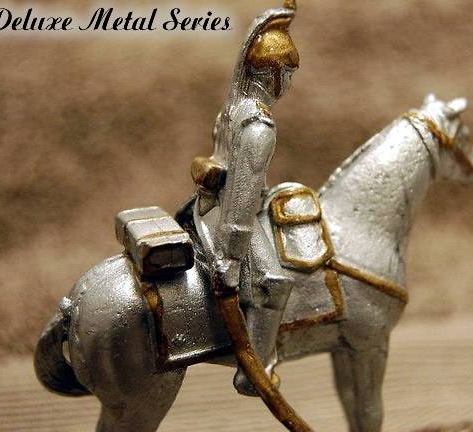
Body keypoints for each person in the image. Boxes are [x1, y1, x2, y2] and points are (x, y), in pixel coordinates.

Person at [188, 1, 299, 396]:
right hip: (229, 218)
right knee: (275, 283)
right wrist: (231, 258)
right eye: (288, 74)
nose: (290, 84)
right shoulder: (258, 126)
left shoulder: (234, 108)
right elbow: (242, 197)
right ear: (273, 75)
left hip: (206, 207)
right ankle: (253, 373)